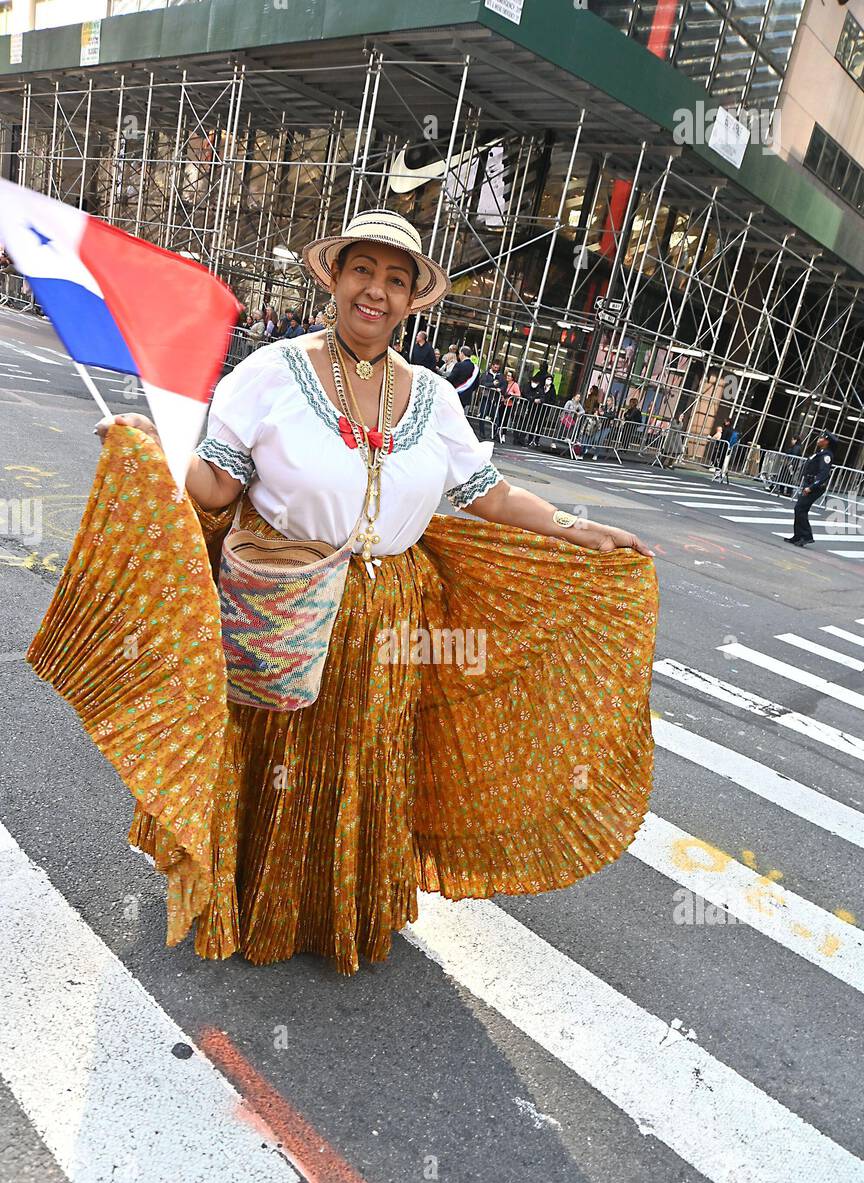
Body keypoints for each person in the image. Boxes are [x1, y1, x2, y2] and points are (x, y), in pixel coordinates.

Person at [28, 207, 657, 977]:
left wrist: (573, 527)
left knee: (363, 762)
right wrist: (152, 446)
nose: (377, 292)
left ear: (411, 300)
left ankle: (338, 909)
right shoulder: (272, 371)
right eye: (364, 270)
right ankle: (257, 899)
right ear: (335, 277)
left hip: (390, 616)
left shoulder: (433, 396)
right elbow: (219, 485)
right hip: (286, 598)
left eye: (396, 280)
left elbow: (489, 495)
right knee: (278, 751)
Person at [783, 433, 835, 546]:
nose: (819, 440)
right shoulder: (820, 453)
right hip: (809, 484)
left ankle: (806, 536)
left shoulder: (827, 455)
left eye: (822, 438)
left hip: (815, 487)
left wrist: (811, 488)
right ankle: (798, 535)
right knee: (800, 509)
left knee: (800, 508)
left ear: (826, 442)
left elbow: (823, 474)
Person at [476, 359, 506, 441]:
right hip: (486, 397)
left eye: (497, 368)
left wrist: (500, 389)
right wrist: (493, 384)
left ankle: (495, 433)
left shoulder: (501, 376)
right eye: (495, 367)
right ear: (492, 365)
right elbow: (482, 383)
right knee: (483, 414)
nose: (496, 369)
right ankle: (482, 432)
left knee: (496, 417)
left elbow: (504, 385)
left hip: (495, 398)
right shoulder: (486, 374)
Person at [446, 344, 480, 413]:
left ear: (462, 354)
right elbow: (476, 384)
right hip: (466, 397)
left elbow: (451, 378)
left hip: (455, 395)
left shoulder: (459, 365)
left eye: (459, 354)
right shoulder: (476, 368)